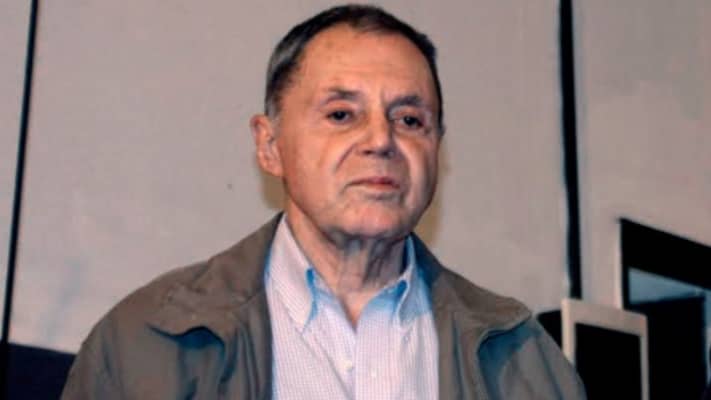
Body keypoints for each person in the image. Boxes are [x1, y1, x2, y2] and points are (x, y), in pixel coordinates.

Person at [61, 4, 585, 399]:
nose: (380, 140)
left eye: (409, 120)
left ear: (437, 149)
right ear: (270, 145)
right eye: (341, 115)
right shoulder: (146, 346)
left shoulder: (524, 362)